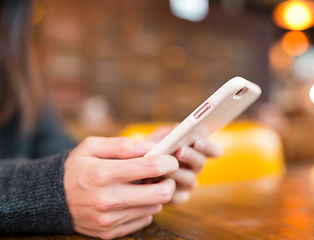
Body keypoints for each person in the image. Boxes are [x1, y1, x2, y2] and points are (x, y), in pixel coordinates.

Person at [0, 0, 223, 239]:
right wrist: (45, 193)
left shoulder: (18, 63)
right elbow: (58, 179)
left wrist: (128, 172)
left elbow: (58, 151)